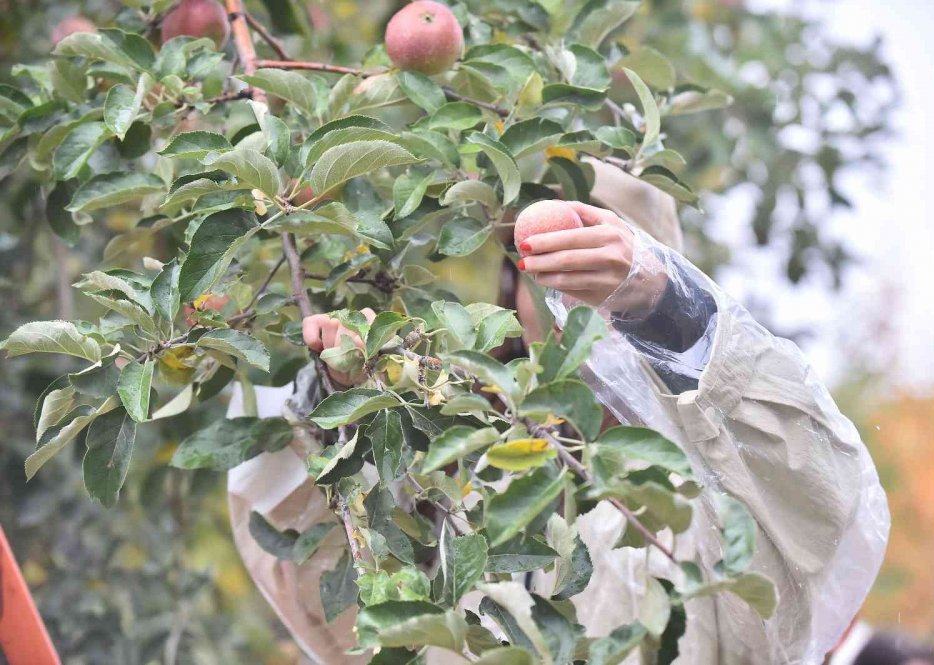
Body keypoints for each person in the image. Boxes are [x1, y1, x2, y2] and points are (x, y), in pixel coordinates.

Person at [226, 158, 891, 664]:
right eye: (543, 262)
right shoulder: (468, 476)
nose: (569, 286)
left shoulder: (709, 490)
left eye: (599, 247)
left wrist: (669, 306)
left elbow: (819, 500)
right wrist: (342, 407)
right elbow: (338, 608)